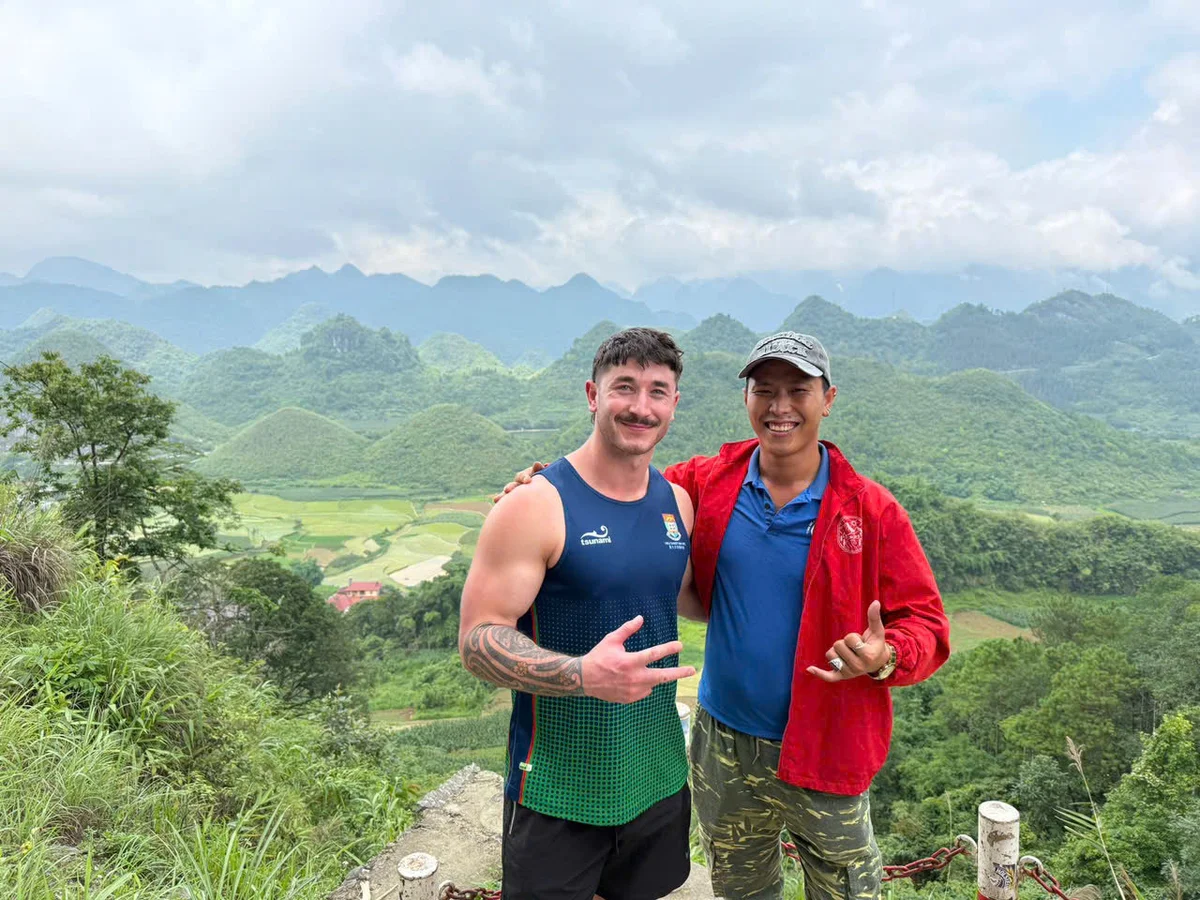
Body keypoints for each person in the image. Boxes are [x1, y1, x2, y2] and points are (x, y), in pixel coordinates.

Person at [501, 330, 951, 900]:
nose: (779, 407)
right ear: (746, 400)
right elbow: (623, 481)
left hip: (824, 747)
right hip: (722, 747)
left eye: (798, 391)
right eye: (765, 390)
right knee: (740, 889)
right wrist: (539, 487)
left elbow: (929, 627)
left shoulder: (871, 510)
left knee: (847, 891)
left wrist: (886, 656)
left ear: (828, 399)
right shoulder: (709, 482)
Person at [459, 327, 702, 900]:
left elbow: (698, 598)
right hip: (557, 787)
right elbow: (477, 639)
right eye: (625, 388)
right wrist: (582, 675)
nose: (641, 407)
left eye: (657, 392)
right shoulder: (535, 505)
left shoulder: (678, 505)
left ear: (674, 405)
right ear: (593, 395)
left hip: (657, 776)